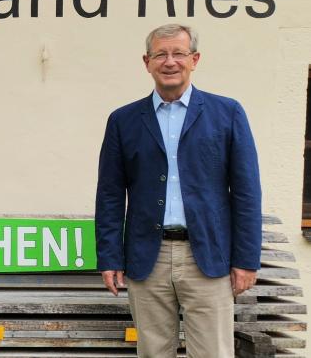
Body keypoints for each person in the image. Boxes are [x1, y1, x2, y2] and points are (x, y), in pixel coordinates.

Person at [95, 24, 262, 358]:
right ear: (147, 62)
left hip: (209, 258)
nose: (169, 62)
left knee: (214, 352)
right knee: (153, 352)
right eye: (160, 54)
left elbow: (246, 192)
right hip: (147, 257)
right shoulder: (123, 120)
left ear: (194, 59)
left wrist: (246, 260)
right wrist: (110, 256)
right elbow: (110, 195)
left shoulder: (226, 113)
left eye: (179, 53)